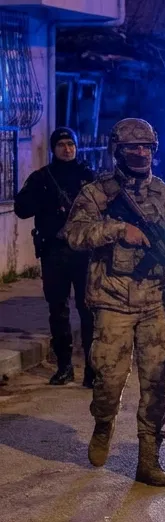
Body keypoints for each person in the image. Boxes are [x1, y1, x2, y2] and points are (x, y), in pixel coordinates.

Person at [64, 118, 165, 487]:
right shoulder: (97, 195)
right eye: (132, 147)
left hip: (155, 304)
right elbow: (74, 234)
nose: (140, 153)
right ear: (117, 150)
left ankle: (149, 459)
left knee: (156, 382)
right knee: (108, 379)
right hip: (112, 302)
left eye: (146, 147)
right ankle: (103, 424)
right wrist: (119, 230)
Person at [14, 127, 95, 386]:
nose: (67, 149)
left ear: (77, 147)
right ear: (53, 148)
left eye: (71, 144)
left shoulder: (88, 177)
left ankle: (92, 370)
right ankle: (64, 366)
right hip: (54, 253)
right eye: (61, 144)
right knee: (57, 311)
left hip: (83, 253)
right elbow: (21, 209)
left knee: (88, 311)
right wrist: (46, 200)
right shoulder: (42, 178)